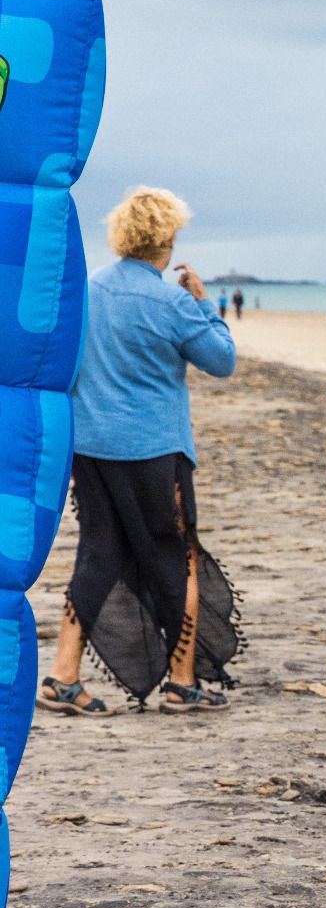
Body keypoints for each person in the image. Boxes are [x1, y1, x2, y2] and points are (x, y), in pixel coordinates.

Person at [38, 186, 242, 716]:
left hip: (92, 448)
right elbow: (222, 361)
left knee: (98, 551)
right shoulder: (172, 301)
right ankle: (180, 680)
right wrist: (203, 301)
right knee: (179, 557)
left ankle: (62, 674)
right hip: (154, 450)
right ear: (167, 239)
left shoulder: (87, 292)